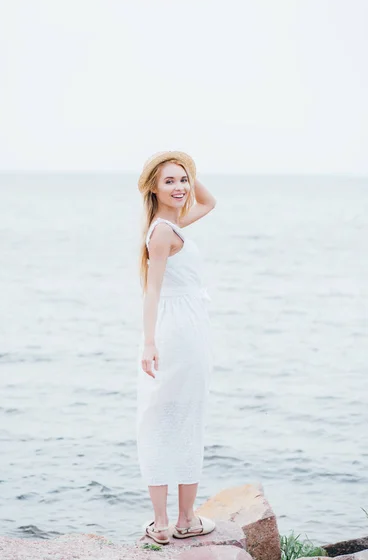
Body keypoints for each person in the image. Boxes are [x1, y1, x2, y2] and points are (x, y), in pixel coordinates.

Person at [136, 151, 217, 545]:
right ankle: (173, 521)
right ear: (153, 187)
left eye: (183, 179)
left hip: (185, 330)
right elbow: (152, 290)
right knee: (173, 417)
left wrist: (185, 164)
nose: (180, 187)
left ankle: (172, 521)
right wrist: (149, 342)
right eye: (169, 181)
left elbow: (210, 201)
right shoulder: (163, 231)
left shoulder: (173, 223)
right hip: (178, 333)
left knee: (170, 416)